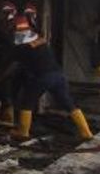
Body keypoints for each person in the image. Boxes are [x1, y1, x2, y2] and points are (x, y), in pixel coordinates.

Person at [6, 14, 94, 142]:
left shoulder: (21, 44)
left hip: (43, 77)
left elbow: (14, 64)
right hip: (59, 75)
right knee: (68, 103)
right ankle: (86, 132)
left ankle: (23, 132)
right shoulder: (38, 38)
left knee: (27, 102)